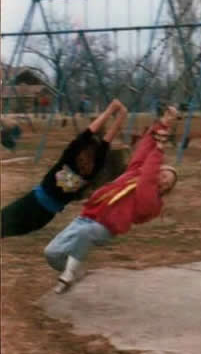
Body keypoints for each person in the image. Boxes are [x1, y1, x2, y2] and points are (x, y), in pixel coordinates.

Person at [43, 106, 179, 293]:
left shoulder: (153, 202)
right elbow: (143, 150)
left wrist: (160, 150)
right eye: (165, 176)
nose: (164, 182)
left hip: (106, 227)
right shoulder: (135, 172)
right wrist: (161, 125)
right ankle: (77, 272)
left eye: (168, 184)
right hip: (87, 216)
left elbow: (148, 177)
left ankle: (67, 275)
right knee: (51, 254)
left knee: (86, 234)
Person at [1, 99, 129, 238]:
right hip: (45, 216)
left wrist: (111, 109)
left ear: (83, 146)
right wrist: (122, 115)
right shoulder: (93, 170)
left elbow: (92, 131)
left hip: (32, 202)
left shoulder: (70, 155)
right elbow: (107, 140)